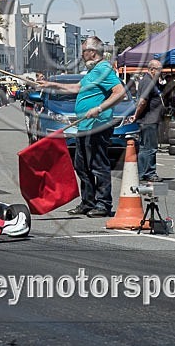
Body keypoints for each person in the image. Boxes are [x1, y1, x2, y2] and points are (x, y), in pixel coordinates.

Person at [37, 36, 125, 218]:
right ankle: (88, 201)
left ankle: (103, 203)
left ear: (92, 52)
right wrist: (50, 84)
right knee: (81, 165)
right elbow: (76, 88)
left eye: (83, 51)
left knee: (97, 164)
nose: (81, 55)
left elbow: (120, 93)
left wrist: (99, 108)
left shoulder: (104, 70)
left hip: (97, 125)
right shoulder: (92, 72)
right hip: (84, 126)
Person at [128, 60, 164, 182]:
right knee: (150, 147)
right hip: (148, 120)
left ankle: (143, 172)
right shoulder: (148, 82)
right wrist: (136, 115)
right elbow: (142, 101)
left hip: (150, 119)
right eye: (159, 69)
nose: (160, 72)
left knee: (145, 147)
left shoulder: (151, 82)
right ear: (152, 69)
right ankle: (149, 172)